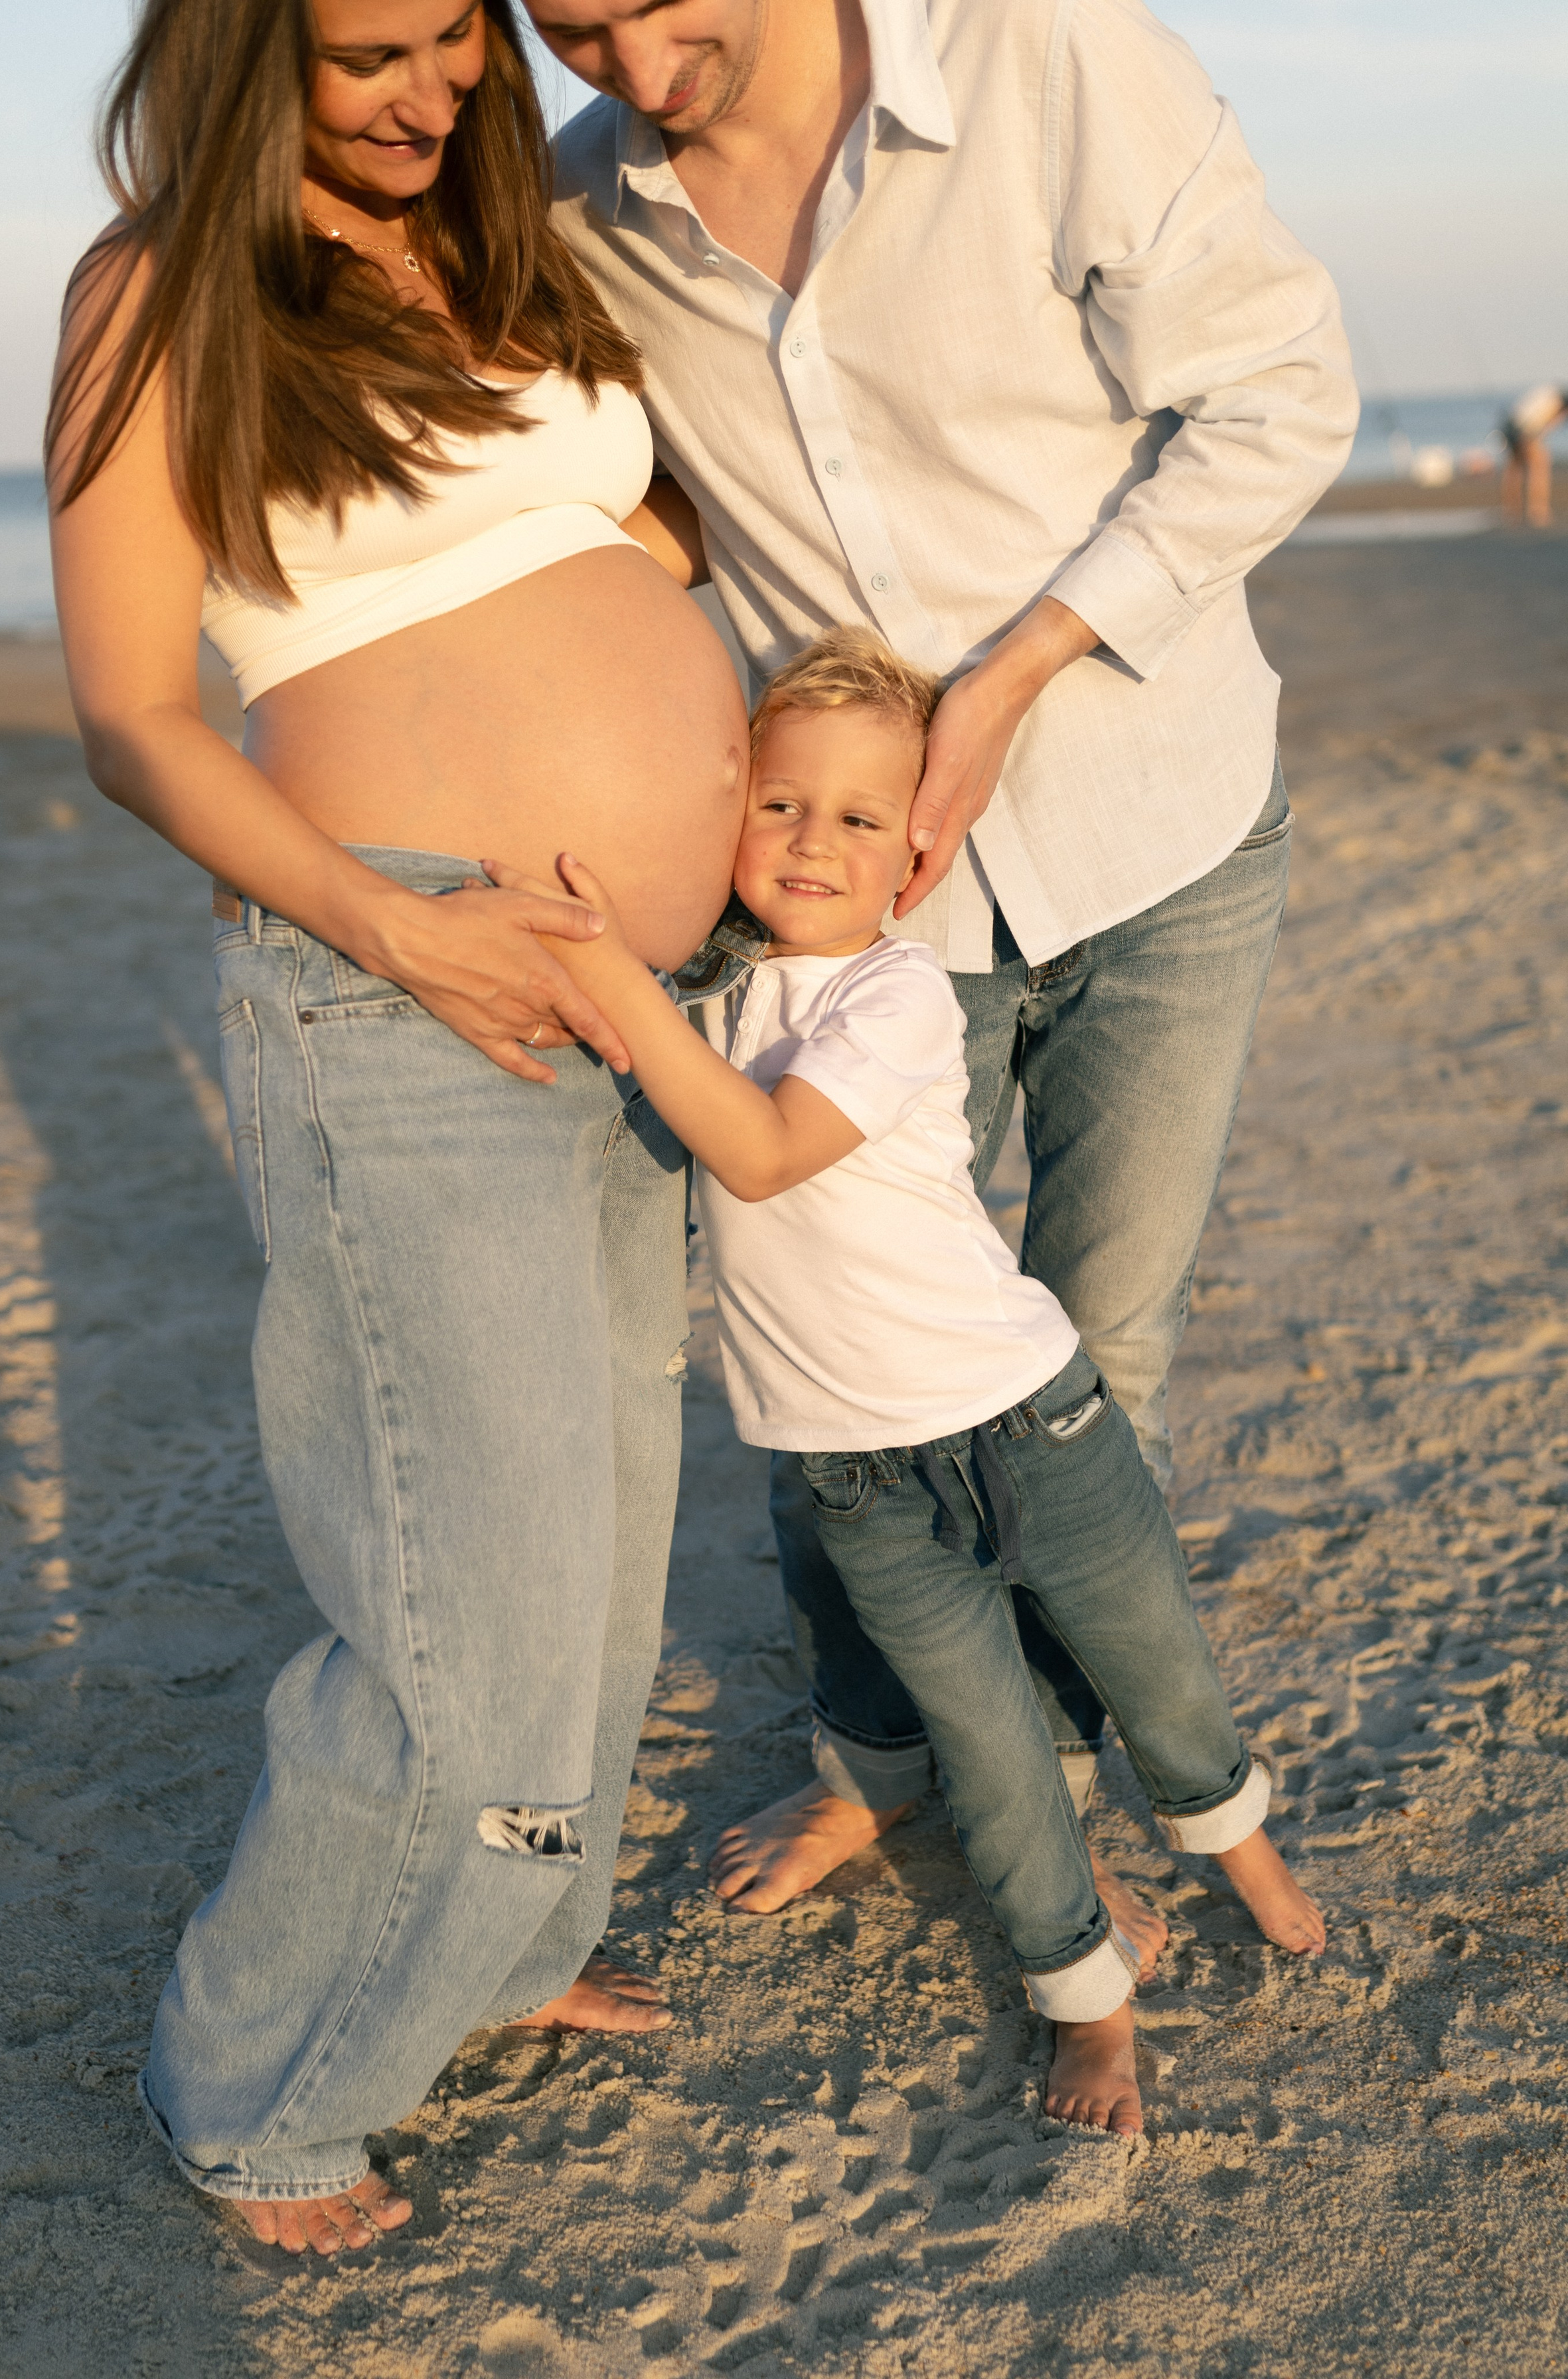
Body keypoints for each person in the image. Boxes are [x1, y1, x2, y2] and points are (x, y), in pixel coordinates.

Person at [534, 0, 1360, 1937]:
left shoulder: (1052, 54)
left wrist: (1007, 676)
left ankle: (1058, 1754)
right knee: (826, 1377)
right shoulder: (578, 215)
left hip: (1161, 827)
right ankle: (873, 1762)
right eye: (571, 30)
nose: (635, 72)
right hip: (854, 904)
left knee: (1099, 1342)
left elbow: (1280, 397)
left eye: (657, 9)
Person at [46, 0, 748, 2256]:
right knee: (477, 1598)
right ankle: (252, 2078)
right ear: (247, 42)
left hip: (639, 1001)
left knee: (612, 1532)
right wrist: (391, 921)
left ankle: (505, 1955)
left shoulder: (513, 260)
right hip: (402, 981)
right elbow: (135, 719)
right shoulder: (160, 291)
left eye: (459, 41)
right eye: (375, 46)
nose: (437, 88)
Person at [493, 625, 1326, 2135]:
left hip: (1034, 1426)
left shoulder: (891, 999)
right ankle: (1089, 2013)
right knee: (995, 1768)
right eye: (780, 803)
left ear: (913, 859)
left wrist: (600, 967)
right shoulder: (706, 1004)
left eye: (861, 819)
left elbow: (752, 1147)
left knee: (1160, 1680)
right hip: (864, 1490)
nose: (815, 839)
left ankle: (1236, 1849)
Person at [1500, 384, 1566, 528]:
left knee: (1514, 470)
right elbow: (1544, 424)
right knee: (1539, 470)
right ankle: (1538, 511)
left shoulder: (1547, 394)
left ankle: (1512, 511)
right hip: (1526, 432)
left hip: (1512, 426)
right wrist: (1535, 440)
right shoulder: (1555, 403)